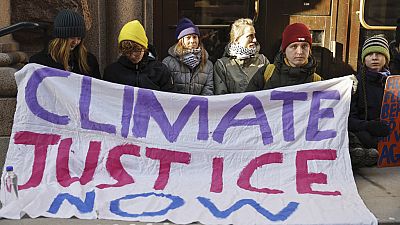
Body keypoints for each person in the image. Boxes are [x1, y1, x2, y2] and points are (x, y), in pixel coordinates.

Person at [348, 35, 391, 168]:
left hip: (390, 137)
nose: (374, 58)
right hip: (364, 134)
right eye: (369, 54)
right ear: (363, 59)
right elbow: (348, 119)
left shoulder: (395, 83)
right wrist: (368, 126)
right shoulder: (354, 83)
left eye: (379, 54)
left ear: (386, 58)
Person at [246, 23, 321, 91]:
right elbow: (247, 102)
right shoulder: (266, 74)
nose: (300, 52)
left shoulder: (318, 82)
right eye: (294, 46)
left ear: (309, 49)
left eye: (304, 46)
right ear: (284, 50)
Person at [103, 20, 175, 92]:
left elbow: (170, 98)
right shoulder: (112, 72)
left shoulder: (160, 70)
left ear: (144, 47)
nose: (132, 56)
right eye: (127, 51)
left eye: (137, 50)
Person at [29, 9, 101, 79]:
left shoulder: (89, 61)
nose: (76, 42)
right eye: (72, 37)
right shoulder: (39, 63)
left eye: (79, 38)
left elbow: (98, 88)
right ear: (61, 38)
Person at [213, 18, 269, 94]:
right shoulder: (222, 65)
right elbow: (222, 97)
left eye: (254, 35)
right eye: (250, 36)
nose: (255, 40)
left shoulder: (263, 61)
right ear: (236, 39)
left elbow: (269, 92)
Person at [162, 18, 213, 95]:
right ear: (181, 40)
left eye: (195, 37)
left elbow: (208, 89)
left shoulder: (208, 64)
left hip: (199, 105)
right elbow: (167, 89)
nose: (192, 41)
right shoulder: (168, 62)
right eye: (188, 37)